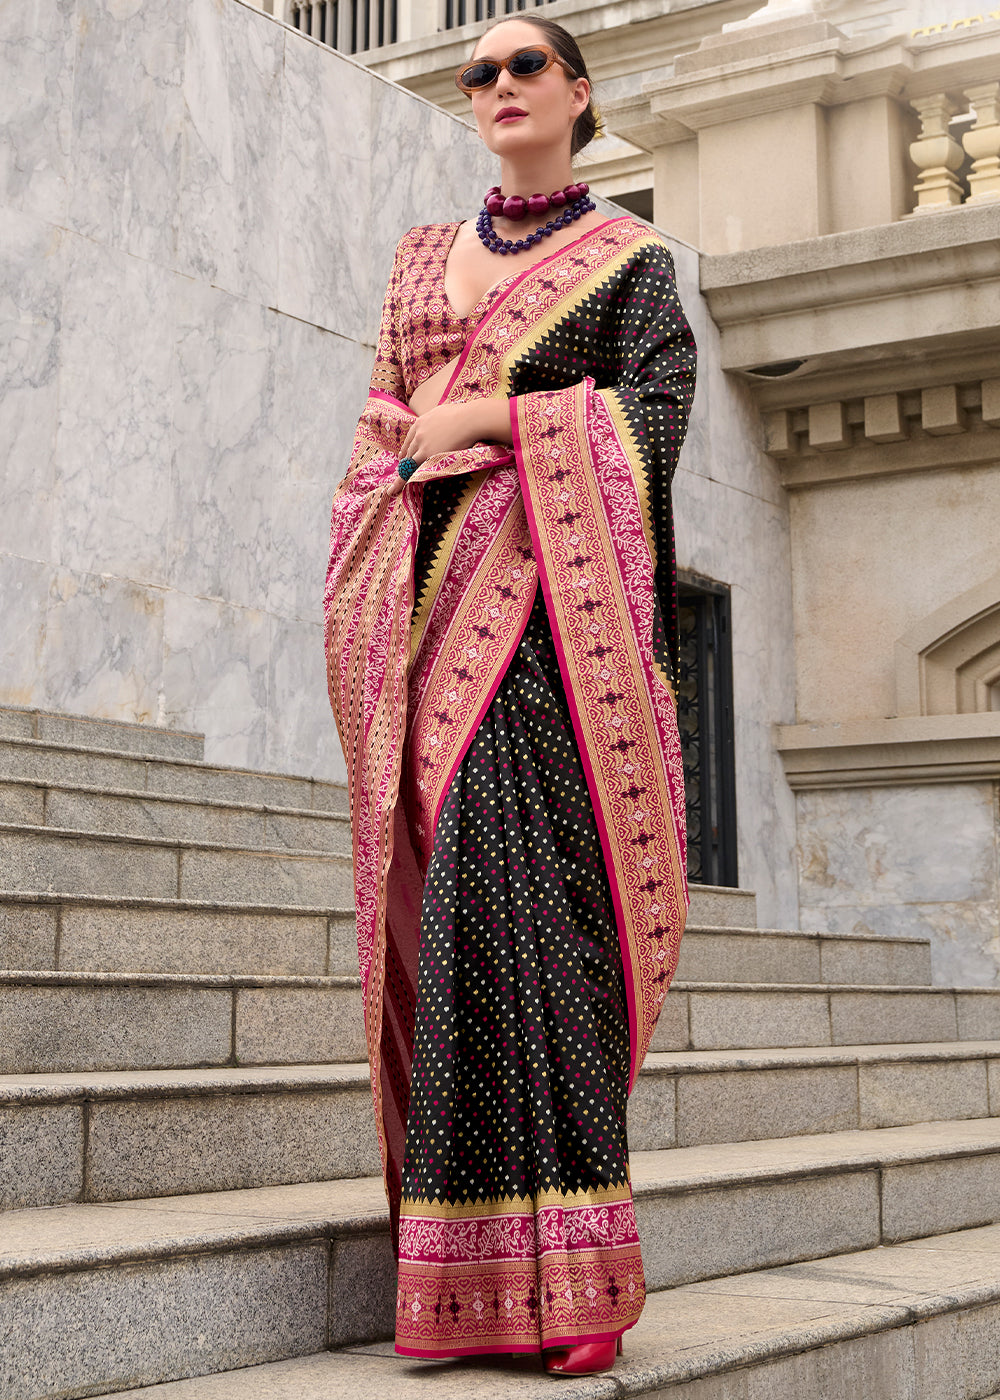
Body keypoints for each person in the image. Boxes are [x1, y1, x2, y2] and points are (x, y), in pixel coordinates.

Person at [324, 14, 696, 1377]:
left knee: (527, 919)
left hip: (545, 624)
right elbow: (377, 418)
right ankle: (463, 1285)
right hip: (420, 610)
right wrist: (397, 462)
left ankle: (572, 1285)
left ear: (579, 94)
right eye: (476, 71)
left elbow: (651, 423)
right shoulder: (422, 258)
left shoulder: (633, 263)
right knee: (451, 916)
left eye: (524, 65)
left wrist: (491, 421)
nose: (495, 86)